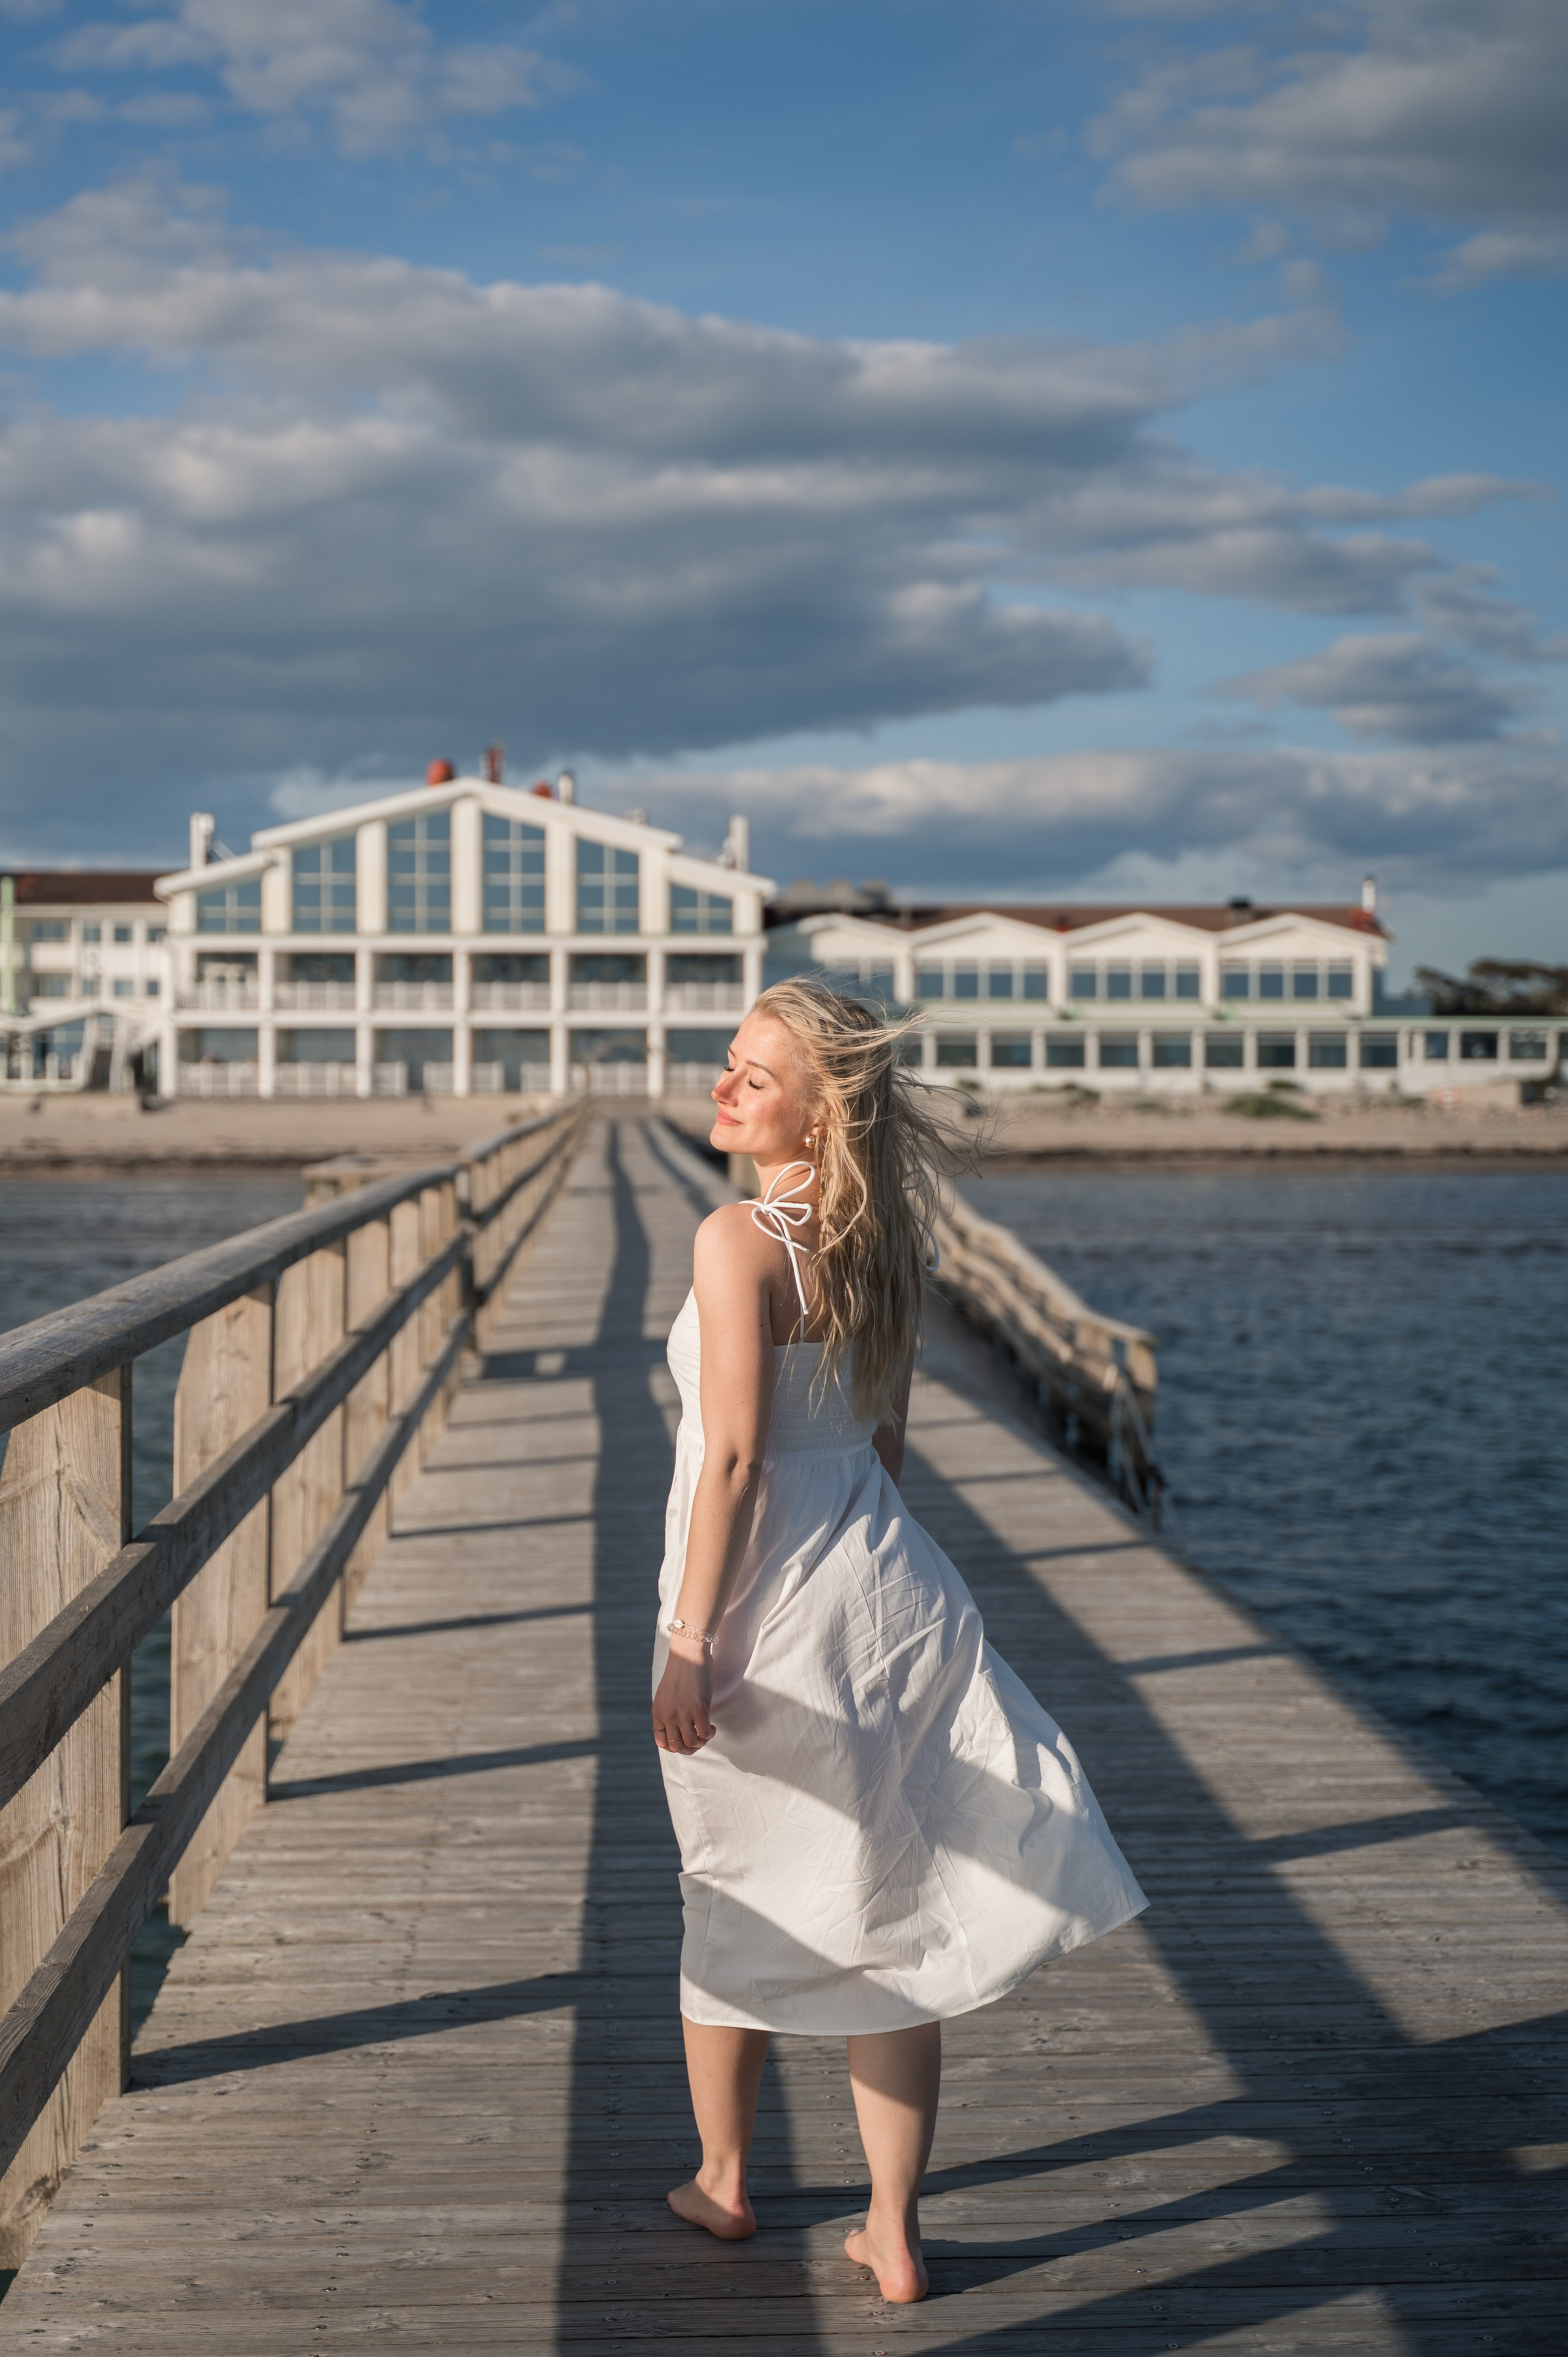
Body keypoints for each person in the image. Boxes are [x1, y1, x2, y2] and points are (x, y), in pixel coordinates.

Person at [652, 979, 1147, 2304]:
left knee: (733, 1876)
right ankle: (890, 2228)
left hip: (757, 1600)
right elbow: (883, 1443)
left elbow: (740, 1455)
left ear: (819, 1110)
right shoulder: (883, 1243)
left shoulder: (733, 1239)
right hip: (883, 1593)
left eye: (752, 1076)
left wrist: (690, 1636)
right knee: (889, 1898)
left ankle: (724, 2178)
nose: (722, 1088)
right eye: (728, 1065)